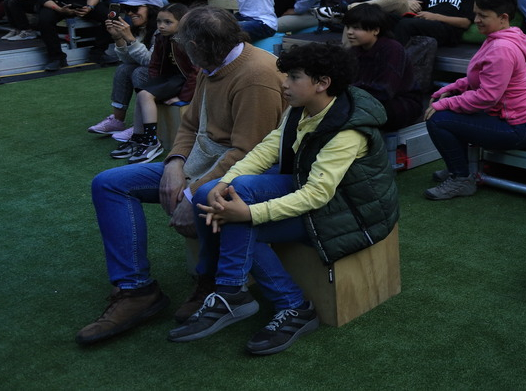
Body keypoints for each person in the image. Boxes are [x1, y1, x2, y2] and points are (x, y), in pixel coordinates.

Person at [169, 41, 398, 356]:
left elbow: (317, 195)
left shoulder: (346, 131)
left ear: (322, 83)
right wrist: (225, 182)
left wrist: (250, 214)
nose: (284, 84)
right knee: (217, 195)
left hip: (348, 212)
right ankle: (276, 302)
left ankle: (233, 292)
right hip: (311, 191)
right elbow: (268, 147)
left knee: (240, 215)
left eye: (293, 77)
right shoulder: (301, 107)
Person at [75, 7, 285, 345]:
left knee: (205, 197)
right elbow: (190, 125)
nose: (180, 48)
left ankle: (212, 283)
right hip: (202, 164)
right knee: (109, 183)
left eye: (183, 43)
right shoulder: (212, 62)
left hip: (242, 175)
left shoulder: (256, 76)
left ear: (200, 45)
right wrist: (174, 163)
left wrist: (191, 192)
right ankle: (137, 291)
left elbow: (248, 154)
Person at [423, 0, 526, 200]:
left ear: (503, 17)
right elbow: (480, 79)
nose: (476, 19)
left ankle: (461, 178)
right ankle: (459, 166)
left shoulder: (502, 48)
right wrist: (451, 89)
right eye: (475, 13)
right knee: (449, 110)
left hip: (520, 127)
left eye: (483, 15)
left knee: (439, 119)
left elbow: (486, 97)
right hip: (520, 120)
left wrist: (443, 104)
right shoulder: (500, 37)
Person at [111, 2, 198, 164]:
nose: (162, 26)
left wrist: (184, 97)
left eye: (168, 22)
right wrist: (153, 86)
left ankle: (151, 141)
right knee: (142, 93)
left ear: (183, 22)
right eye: (159, 22)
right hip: (169, 79)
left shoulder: (188, 41)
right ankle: (138, 137)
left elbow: (195, 72)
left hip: (182, 80)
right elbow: (154, 65)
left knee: (144, 94)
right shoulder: (161, 38)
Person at [86, 0, 165, 158]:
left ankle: (141, 126)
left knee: (139, 71)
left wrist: (130, 39)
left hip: (170, 77)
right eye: (127, 9)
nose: (129, 13)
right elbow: (128, 59)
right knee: (124, 69)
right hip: (155, 76)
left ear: (152, 10)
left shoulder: (161, 30)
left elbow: (151, 62)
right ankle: (117, 120)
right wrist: (118, 39)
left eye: (135, 8)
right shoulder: (141, 29)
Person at [342, 4, 425, 131]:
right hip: (368, 100)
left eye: (356, 28)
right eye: (348, 27)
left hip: (400, 103)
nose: (349, 32)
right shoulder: (355, 50)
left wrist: (346, 94)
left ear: (376, 30)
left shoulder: (392, 49)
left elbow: (384, 90)